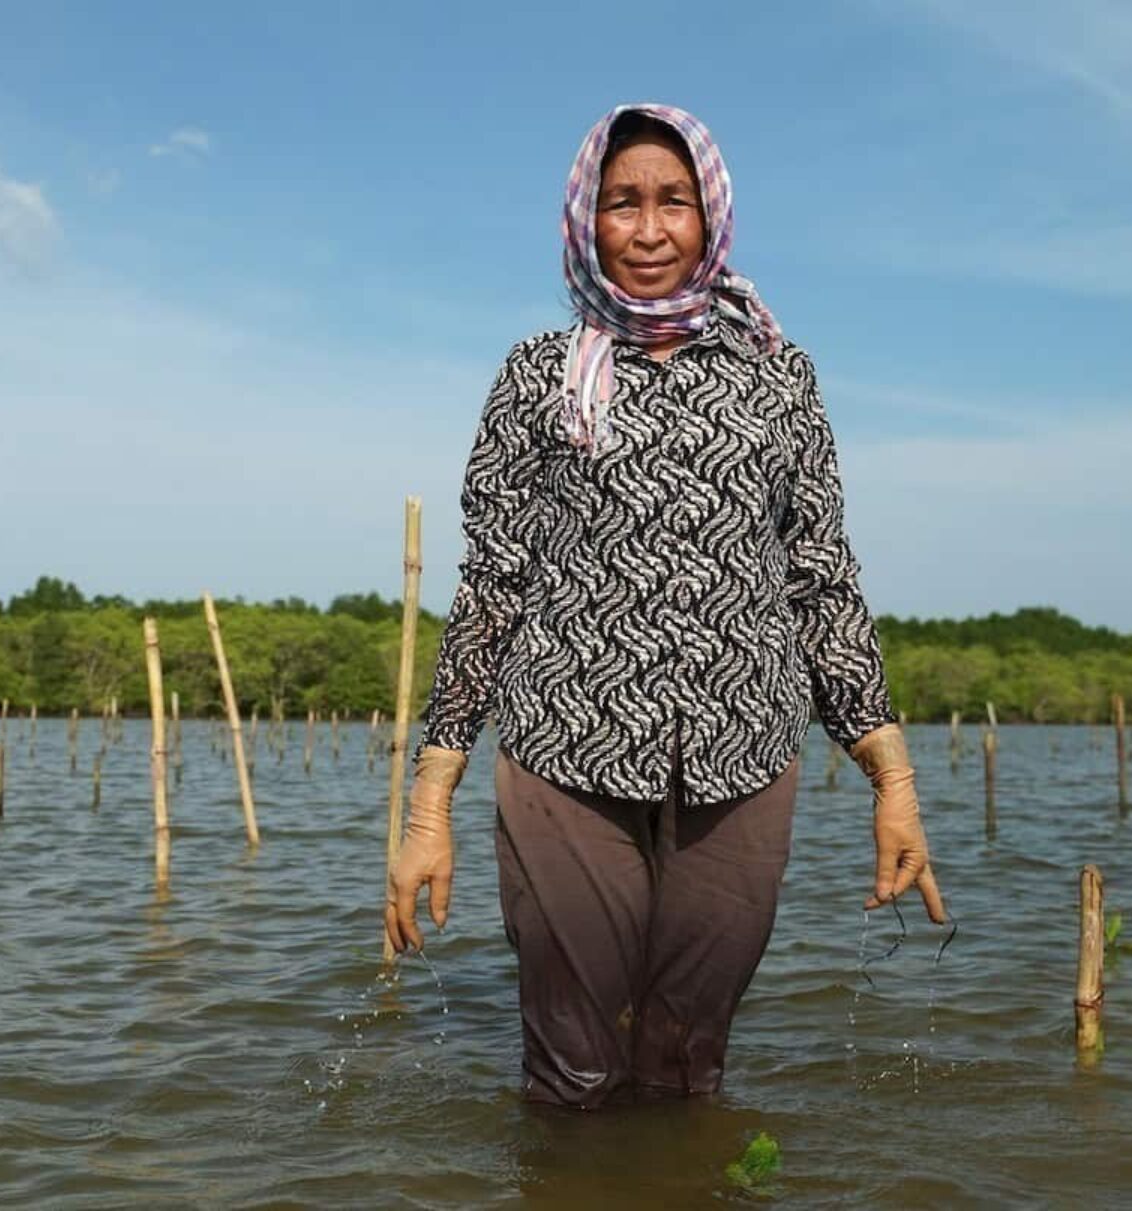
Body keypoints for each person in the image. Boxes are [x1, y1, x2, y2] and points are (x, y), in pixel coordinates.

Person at [383, 103, 949, 1110]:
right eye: (621, 204)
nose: (648, 231)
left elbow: (822, 575)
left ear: (711, 214)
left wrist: (890, 777)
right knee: (574, 1071)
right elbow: (492, 583)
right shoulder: (535, 377)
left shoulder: (781, 377)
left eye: (673, 203)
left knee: (688, 1066)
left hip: (744, 754)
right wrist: (431, 803)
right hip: (567, 749)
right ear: (584, 220)